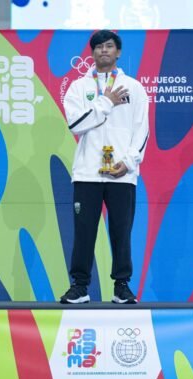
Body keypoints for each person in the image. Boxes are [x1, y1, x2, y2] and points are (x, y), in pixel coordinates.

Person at [59, 30, 149, 304]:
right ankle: (80, 287)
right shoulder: (78, 88)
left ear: (118, 52)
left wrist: (129, 162)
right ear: (92, 53)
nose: (104, 50)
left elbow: (142, 130)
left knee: (121, 232)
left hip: (122, 174)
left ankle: (122, 286)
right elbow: (76, 124)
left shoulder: (133, 87)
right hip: (87, 173)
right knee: (84, 232)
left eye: (109, 46)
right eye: (98, 46)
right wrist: (106, 102)